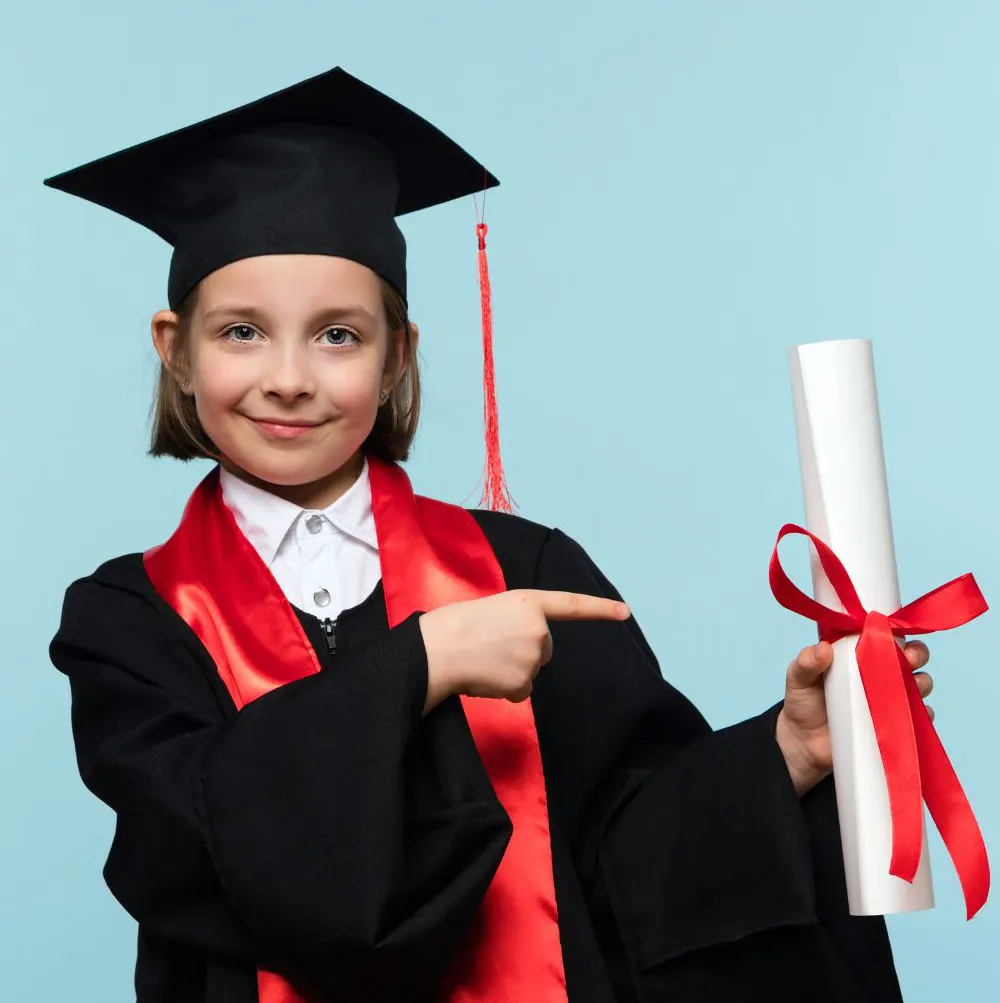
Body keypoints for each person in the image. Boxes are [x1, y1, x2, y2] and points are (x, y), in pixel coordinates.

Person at [46, 66, 931, 1003]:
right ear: (174, 349)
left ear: (399, 357)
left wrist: (788, 753)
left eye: (339, 336)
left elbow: (629, 862)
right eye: (241, 333)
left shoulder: (523, 570)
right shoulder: (129, 619)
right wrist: (420, 663)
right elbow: (195, 846)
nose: (291, 377)